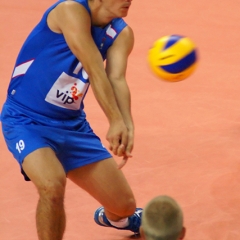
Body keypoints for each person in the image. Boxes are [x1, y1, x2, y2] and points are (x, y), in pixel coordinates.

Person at [1, 0, 142, 239]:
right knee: (52, 186)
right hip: (26, 121)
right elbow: (94, 67)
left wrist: (127, 124)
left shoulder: (122, 33)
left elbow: (116, 79)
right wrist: (114, 120)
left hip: (73, 126)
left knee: (124, 205)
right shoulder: (70, 10)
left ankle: (115, 219)